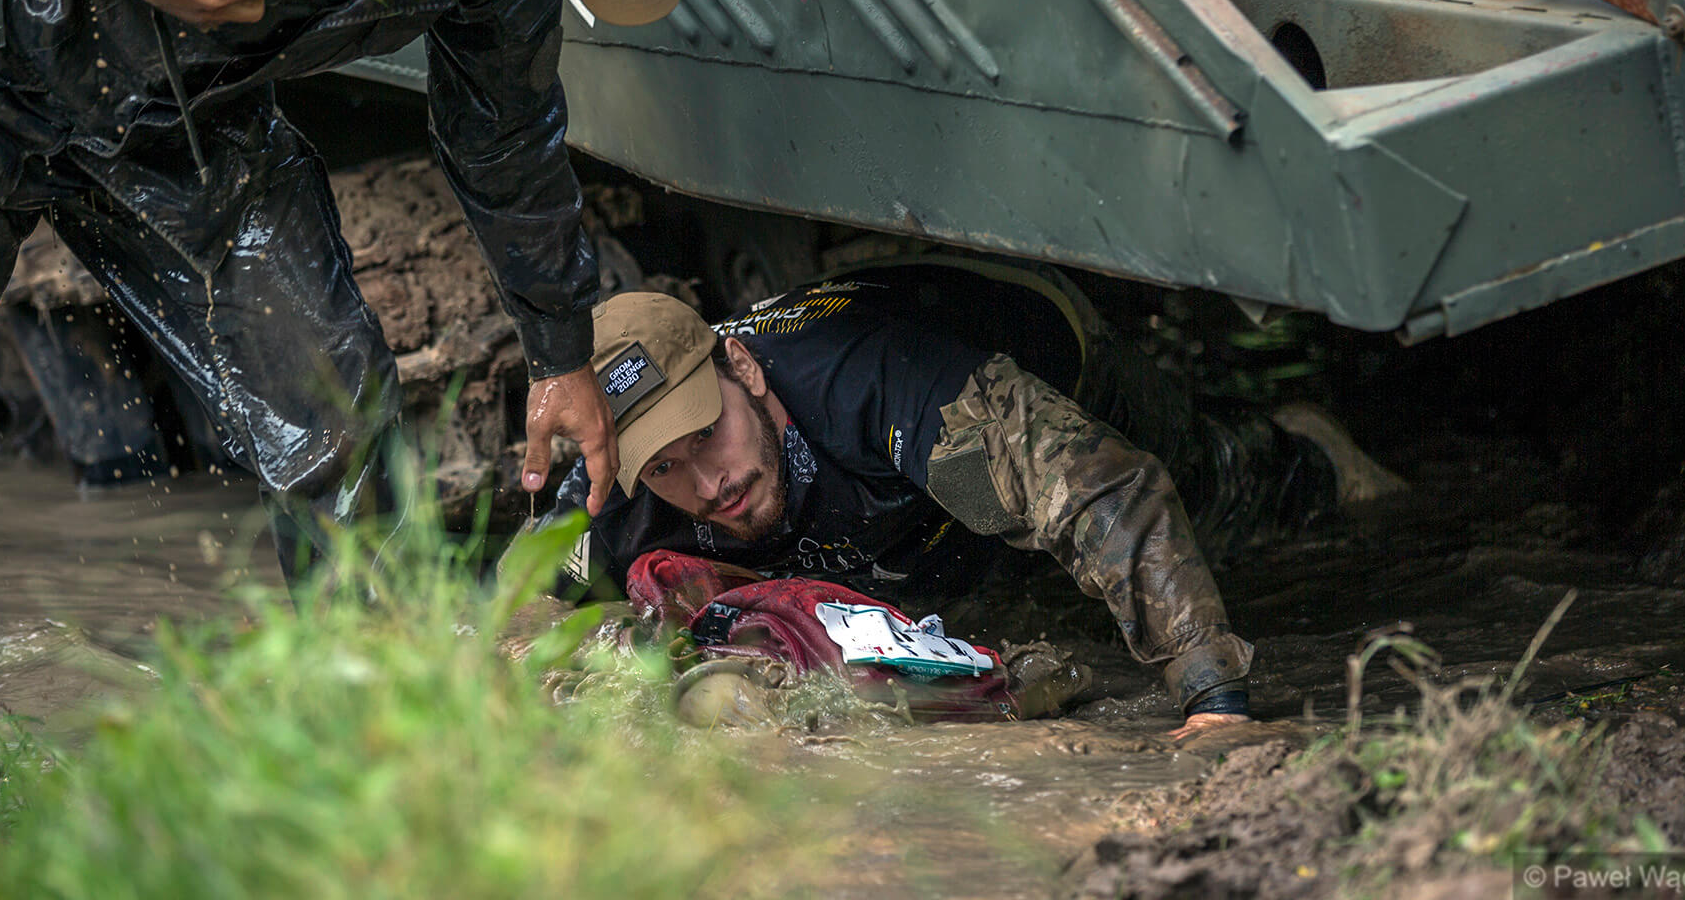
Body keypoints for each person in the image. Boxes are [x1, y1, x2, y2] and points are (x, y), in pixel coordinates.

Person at [0, 0, 686, 570]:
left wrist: (560, 354)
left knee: (334, 416)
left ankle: (367, 664)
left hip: (177, 120)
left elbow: (505, 135)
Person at [549, 264, 1404, 737]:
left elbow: (1104, 492)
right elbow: (518, 610)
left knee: (1215, 494)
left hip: (1032, 344)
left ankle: (1310, 453)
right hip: (895, 516)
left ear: (742, 370)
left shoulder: (874, 385)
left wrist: (1215, 705)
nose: (709, 485)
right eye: (666, 468)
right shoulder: (612, 491)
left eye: (709, 435)